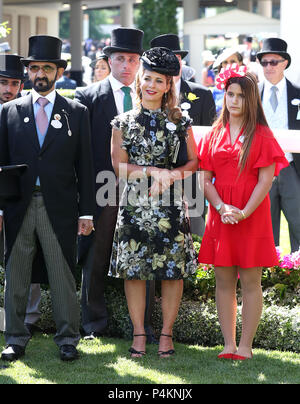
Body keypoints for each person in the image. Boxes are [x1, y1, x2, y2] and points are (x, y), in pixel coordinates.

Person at [0, 35, 95, 362]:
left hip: (61, 206)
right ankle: (14, 338)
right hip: (18, 206)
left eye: (48, 68)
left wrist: (87, 213)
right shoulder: (9, 112)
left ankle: (68, 339)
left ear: (58, 71)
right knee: (16, 273)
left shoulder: (76, 112)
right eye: (36, 67)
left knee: (63, 274)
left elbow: (86, 165)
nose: (41, 73)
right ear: (28, 71)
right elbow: (1, 163)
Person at [110, 46, 198, 358]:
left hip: (171, 205)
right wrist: (151, 171)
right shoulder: (122, 122)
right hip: (134, 206)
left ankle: (166, 335)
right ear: (139, 80)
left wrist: (169, 177)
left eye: (159, 81)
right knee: (134, 271)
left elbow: (193, 163)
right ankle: (138, 335)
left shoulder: (180, 120)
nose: (152, 85)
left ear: (168, 85)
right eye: (148, 79)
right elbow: (119, 167)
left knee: (171, 272)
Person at [198, 63, 288, 360]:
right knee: (223, 280)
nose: (234, 100)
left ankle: (246, 346)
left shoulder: (261, 134)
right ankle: (228, 344)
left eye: (240, 95)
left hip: (251, 216)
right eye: (229, 94)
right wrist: (223, 207)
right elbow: (204, 179)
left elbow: (266, 179)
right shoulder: (213, 134)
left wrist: (245, 212)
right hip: (221, 215)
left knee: (251, 282)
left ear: (251, 100)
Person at [75, 28, 159, 342]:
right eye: (120, 58)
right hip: (102, 185)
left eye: (132, 59)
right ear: (109, 59)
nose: (126, 65)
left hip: (142, 187)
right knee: (96, 255)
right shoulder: (87, 96)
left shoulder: (151, 95)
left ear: (140, 62)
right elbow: (82, 152)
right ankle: (93, 325)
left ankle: (143, 326)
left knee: (142, 257)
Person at [150, 34, 216, 237]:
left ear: (180, 61)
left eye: (175, 58)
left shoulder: (202, 94)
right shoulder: (147, 95)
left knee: (195, 233)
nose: (171, 64)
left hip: (192, 177)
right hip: (154, 178)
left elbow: (210, 139)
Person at [0, 54, 42, 336]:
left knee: (27, 259)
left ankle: (29, 318)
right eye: (3, 82)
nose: (9, 89)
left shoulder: (29, 111)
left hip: (20, 197)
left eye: (15, 83)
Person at [257, 38, 300, 253]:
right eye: (264, 63)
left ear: (285, 63)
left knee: (299, 223)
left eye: (273, 62)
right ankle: (267, 278)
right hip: (261, 170)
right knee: (265, 228)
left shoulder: (298, 93)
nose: (268, 67)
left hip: (292, 167)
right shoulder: (253, 93)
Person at [211, 47, 244, 117]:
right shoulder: (214, 91)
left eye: (233, 61)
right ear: (221, 65)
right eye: (225, 62)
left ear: (240, 63)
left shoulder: (248, 88)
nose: (229, 65)